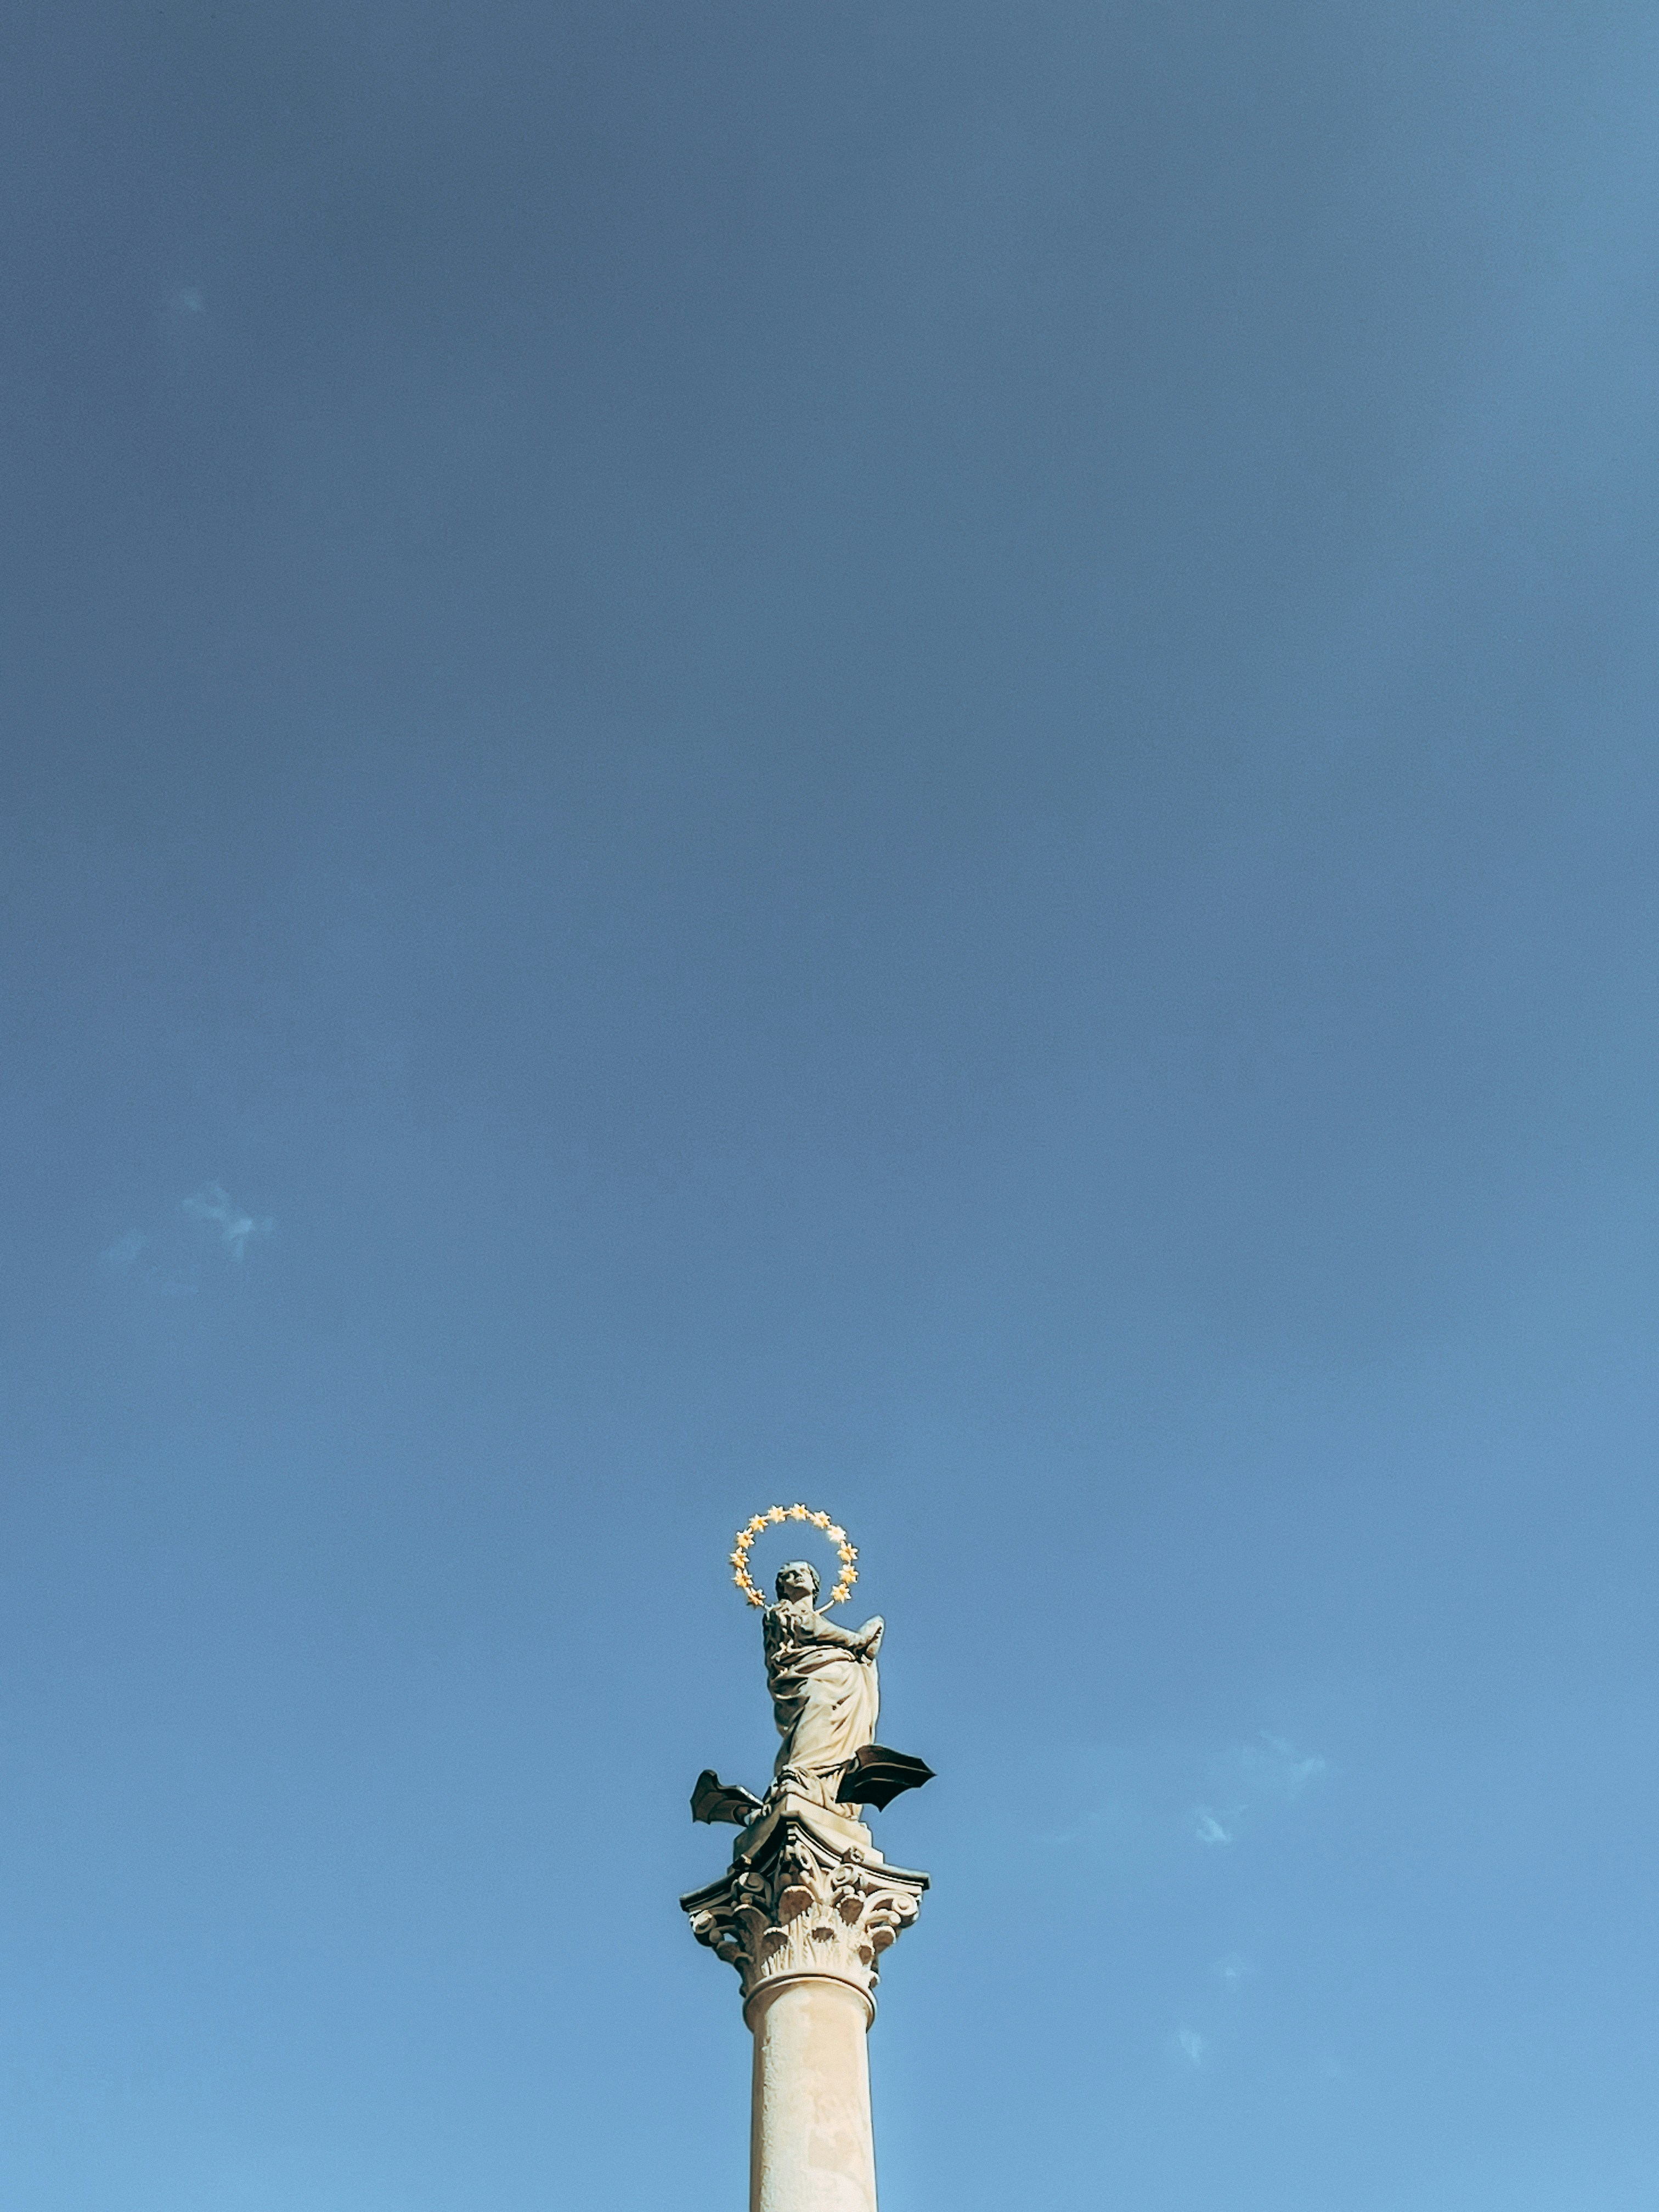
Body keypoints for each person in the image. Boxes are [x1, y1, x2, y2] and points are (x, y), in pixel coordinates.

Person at [763, 1560, 883, 1813]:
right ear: (782, 1588)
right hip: (804, 1676)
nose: (797, 1577)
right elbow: (808, 1628)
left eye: (802, 1573)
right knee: (817, 1703)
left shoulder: (822, 1625)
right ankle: (801, 1773)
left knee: (840, 1732)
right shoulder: (781, 1612)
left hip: (844, 1682)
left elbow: (820, 1628)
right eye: (789, 1575)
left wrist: (863, 1655)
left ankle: (830, 1787)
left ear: (814, 1583)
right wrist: (858, 1640)